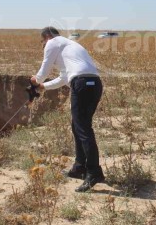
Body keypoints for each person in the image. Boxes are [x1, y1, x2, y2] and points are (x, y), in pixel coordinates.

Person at [31, 26, 105, 192]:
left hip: (82, 84)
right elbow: (64, 77)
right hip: (94, 84)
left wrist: (35, 81)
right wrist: (44, 86)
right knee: (78, 126)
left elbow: (44, 69)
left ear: (47, 36)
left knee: (83, 129)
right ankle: (79, 167)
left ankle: (94, 172)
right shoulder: (70, 47)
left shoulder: (53, 42)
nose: (43, 45)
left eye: (42, 41)